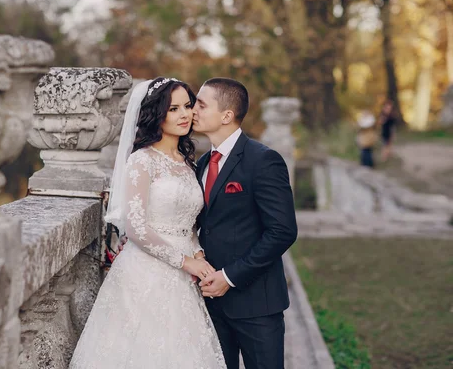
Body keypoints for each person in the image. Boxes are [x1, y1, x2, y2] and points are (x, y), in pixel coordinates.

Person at [70, 78, 227, 369]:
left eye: (188, 106)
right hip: (146, 272)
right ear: (156, 114)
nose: (184, 114)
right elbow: (137, 228)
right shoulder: (142, 161)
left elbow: (188, 221)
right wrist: (185, 261)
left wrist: (198, 253)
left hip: (183, 276)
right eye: (173, 109)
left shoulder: (187, 162)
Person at [192, 77, 298, 369]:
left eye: (201, 104)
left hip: (256, 306)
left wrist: (229, 277)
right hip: (210, 303)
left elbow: (282, 231)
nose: (193, 109)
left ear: (226, 115)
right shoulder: (202, 164)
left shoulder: (263, 161)